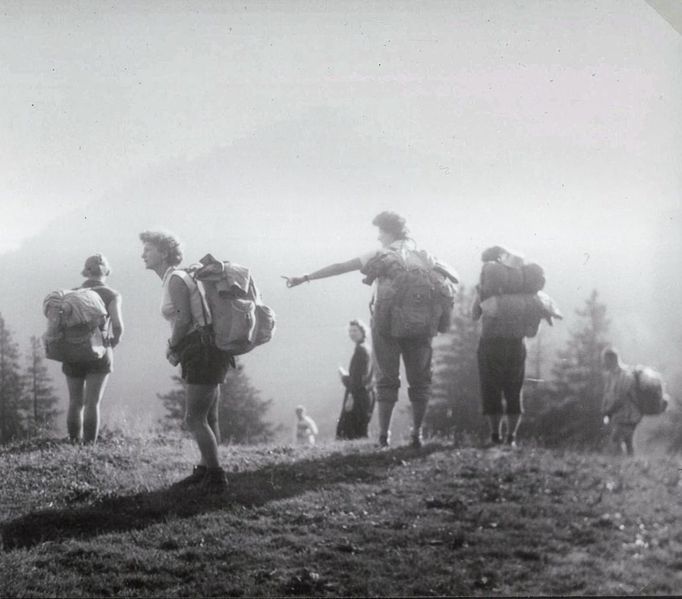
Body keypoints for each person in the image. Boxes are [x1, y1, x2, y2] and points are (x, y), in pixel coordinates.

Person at [284, 211, 457, 448]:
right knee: (420, 382)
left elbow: (341, 266)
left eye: (381, 232)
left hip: (386, 324)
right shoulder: (426, 257)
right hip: (421, 326)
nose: (378, 238)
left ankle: (384, 436)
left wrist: (305, 277)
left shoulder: (381, 254)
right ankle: (417, 435)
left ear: (389, 232)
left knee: (386, 379)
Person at [140, 230, 231, 491]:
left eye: (148, 249)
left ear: (165, 252)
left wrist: (172, 346)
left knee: (194, 418)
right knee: (208, 417)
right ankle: (205, 469)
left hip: (200, 351)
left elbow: (183, 319)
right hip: (208, 350)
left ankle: (216, 476)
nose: (143, 254)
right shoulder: (177, 277)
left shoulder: (176, 280)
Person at [472, 245, 560, 448]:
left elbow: (474, 315)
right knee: (514, 389)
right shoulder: (528, 295)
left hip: (491, 344)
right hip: (516, 344)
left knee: (491, 389)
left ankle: (495, 435)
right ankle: (511, 438)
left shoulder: (488, 292)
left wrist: (481, 292)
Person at [64, 254, 124, 445]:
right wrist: (112, 344)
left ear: (86, 271)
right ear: (105, 271)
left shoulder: (71, 293)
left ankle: (73, 442)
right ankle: (89, 446)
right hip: (99, 352)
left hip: (73, 352)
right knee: (92, 403)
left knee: (75, 402)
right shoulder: (111, 294)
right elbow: (118, 326)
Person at [336, 319, 375, 440]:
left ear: (363, 331)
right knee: (361, 430)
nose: (352, 333)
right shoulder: (367, 349)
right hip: (366, 394)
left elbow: (357, 380)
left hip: (357, 395)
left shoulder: (360, 350)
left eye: (355, 330)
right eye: (350, 331)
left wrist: (344, 377)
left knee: (348, 432)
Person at [601, 347, 641, 456]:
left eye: (605, 360)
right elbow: (608, 394)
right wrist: (605, 409)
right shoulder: (610, 376)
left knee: (616, 439)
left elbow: (621, 398)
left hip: (629, 415)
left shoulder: (625, 375)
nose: (603, 363)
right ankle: (631, 466)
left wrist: (608, 411)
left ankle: (620, 466)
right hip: (620, 415)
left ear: (612, 359)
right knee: (628, 442)